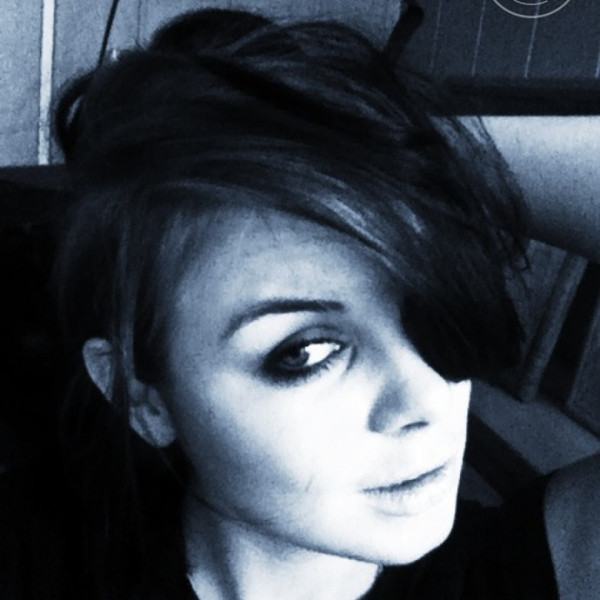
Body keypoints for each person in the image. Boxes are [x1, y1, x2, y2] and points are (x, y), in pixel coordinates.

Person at [0, 7, 597, 600]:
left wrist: (393, 151)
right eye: (305, 352)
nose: (424, 401)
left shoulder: (513, 574)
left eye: (434, 307)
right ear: (145, 398)